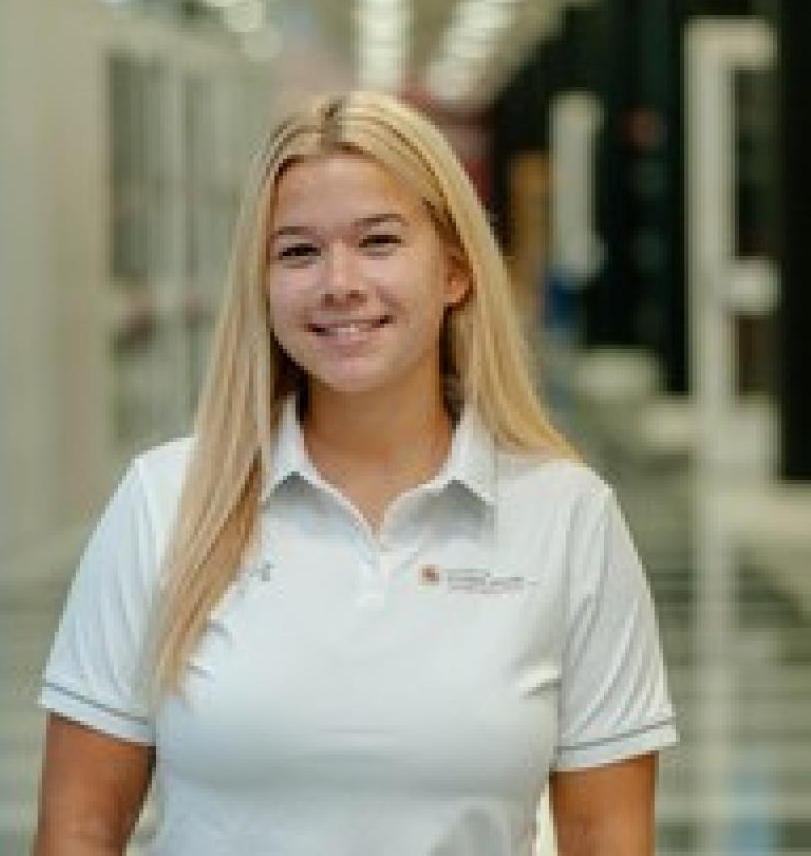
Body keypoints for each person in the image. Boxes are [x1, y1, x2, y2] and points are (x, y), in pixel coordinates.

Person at [33, 90, 677, 854]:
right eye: (298, 251)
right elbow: (78, 829)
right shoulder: (165, 502)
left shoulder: (567, 517)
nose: (339, 282)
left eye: (378, 241)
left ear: (455, 273)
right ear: (263, 285)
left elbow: (608, 834)